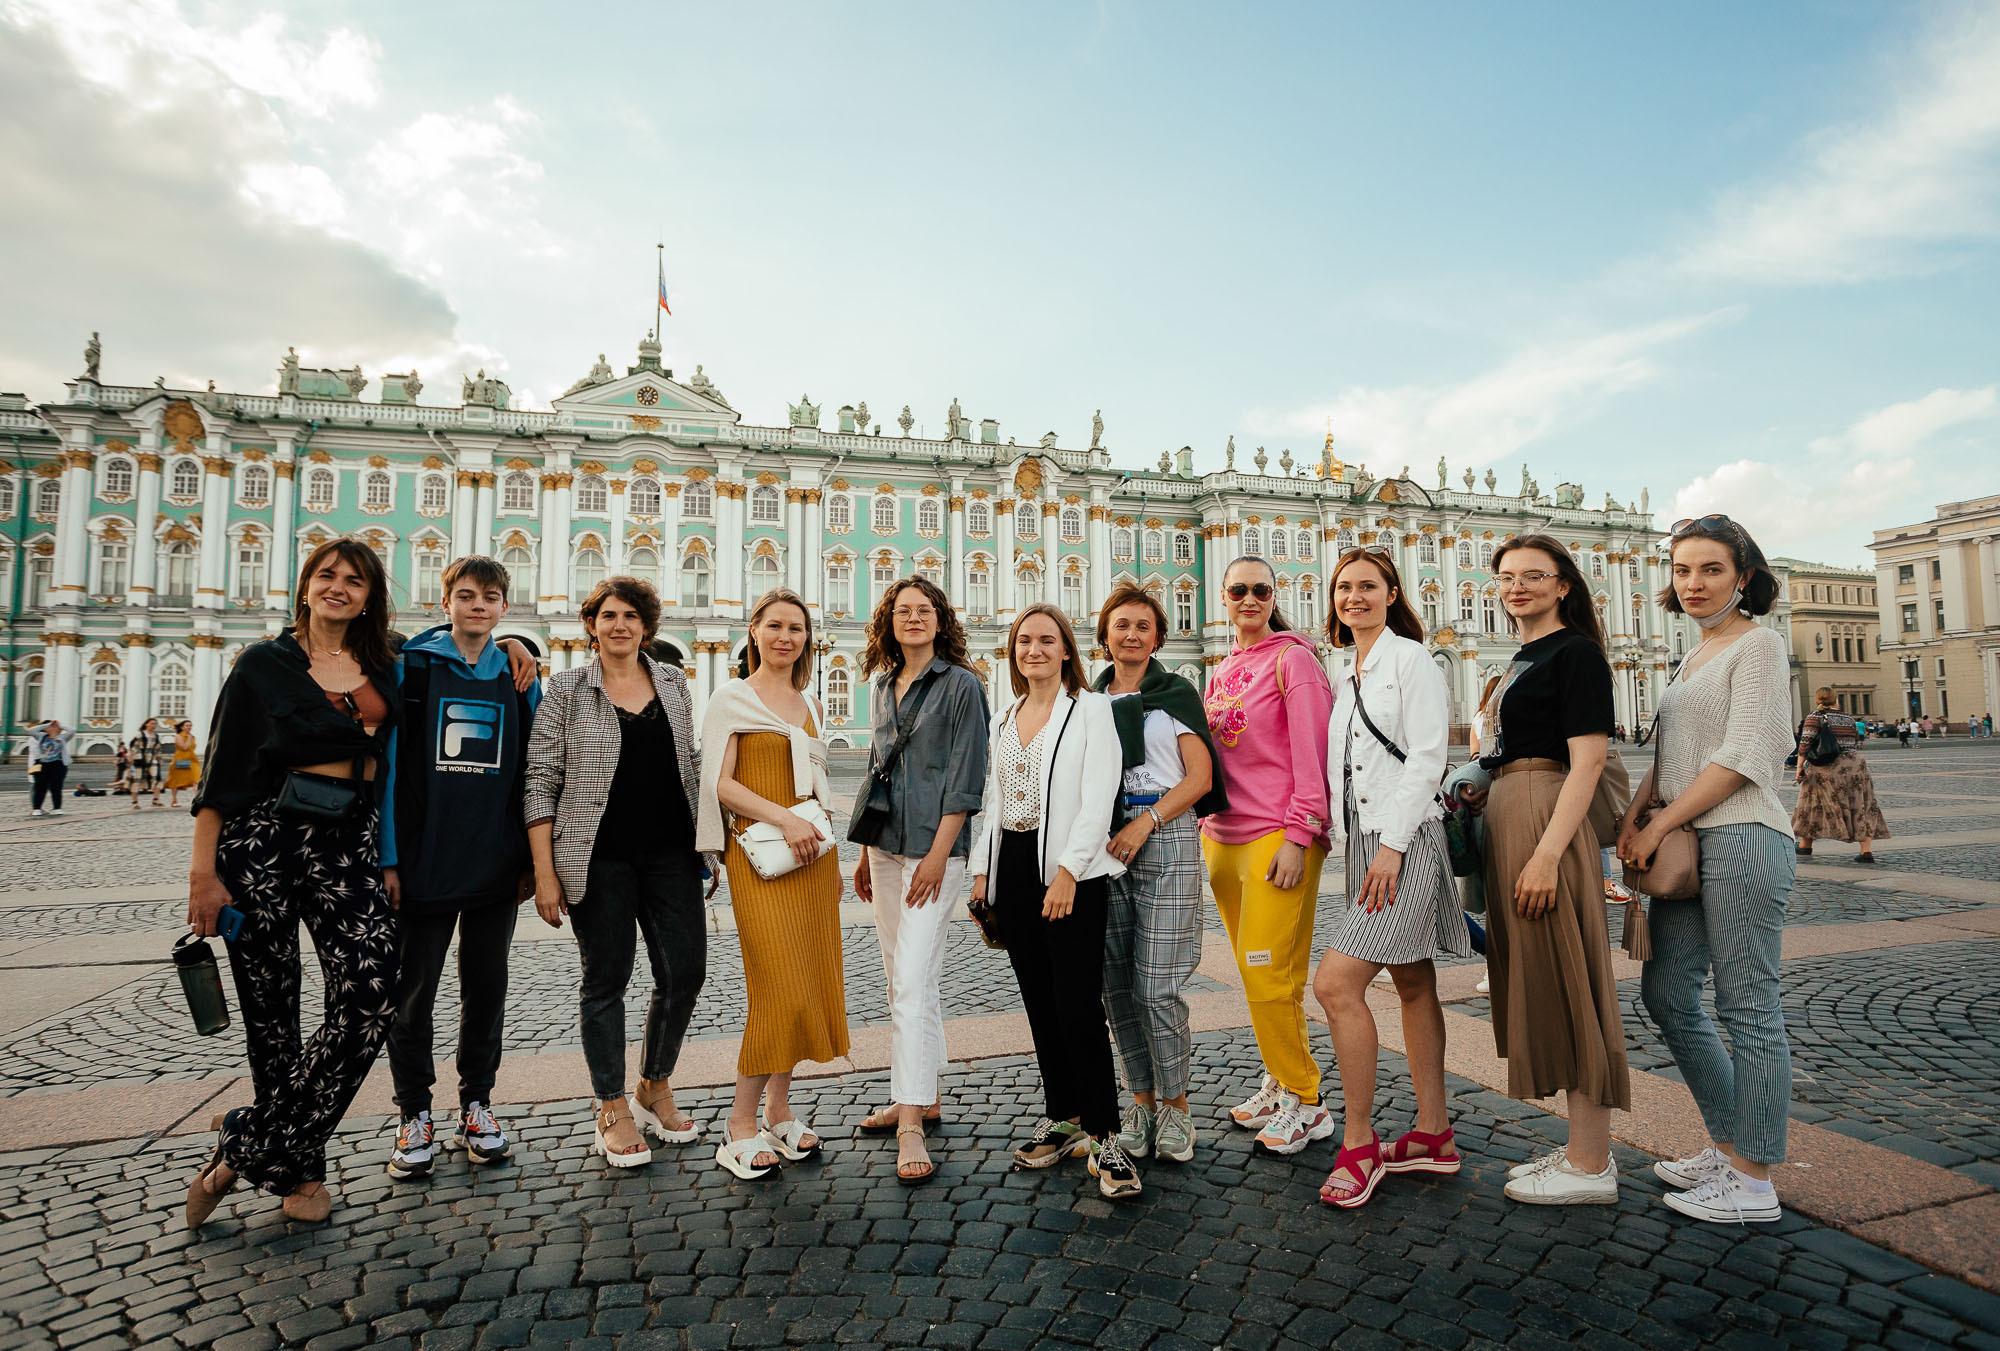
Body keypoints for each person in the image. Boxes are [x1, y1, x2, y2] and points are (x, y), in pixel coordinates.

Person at [182, 538, 406, 1230]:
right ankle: (302, 1173)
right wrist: (203, 873)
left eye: (354, 579)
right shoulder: (263, 665)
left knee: (372, 994)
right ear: (306, 585)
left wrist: (518, 650)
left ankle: (242, 1145)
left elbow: (463, 638)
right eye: (327, 575)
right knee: (271, 1019)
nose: (339, 586)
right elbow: (221, 771)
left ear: (370, 595)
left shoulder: (384, 662)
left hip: (350, 841)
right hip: (264, 840)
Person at [1622, 515, 1797, 1225]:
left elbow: (1747, 754)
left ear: (1743, 576)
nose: (1692, 583)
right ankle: (1729, 1143)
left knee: (1749, 1006)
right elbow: (1672, 755)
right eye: (1682, 570)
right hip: (1688, 844)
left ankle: (1754, 1179)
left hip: (1744, 836)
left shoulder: (1758, 645)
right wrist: (1637, 819)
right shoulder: (1692, 655)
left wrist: (1661, 822)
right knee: (1668, 995)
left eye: (1711, 569)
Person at [1457, 533, 1628, 1206]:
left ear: (1564, 585)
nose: (1517, 586)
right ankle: (1579, 1148)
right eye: (1507, 576)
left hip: (1544, 816)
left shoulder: (1576, 653)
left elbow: (1586, 761)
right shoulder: (1525, 656)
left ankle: (1593, 1163)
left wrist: (1549, 854)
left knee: (1571, 977)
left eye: (1534, 575)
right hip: (1511, 809)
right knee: (1541, 977)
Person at [525, 576, 707, 1170]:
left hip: (671, 854)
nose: (620, 624)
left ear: (647, 627)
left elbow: (693, 763)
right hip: (596, 857)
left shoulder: (674, 683)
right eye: (608, 615)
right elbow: (540, 780)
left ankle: (654, 1083)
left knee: (684, 972)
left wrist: (712, 844)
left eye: (631, 615)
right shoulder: (570, 688)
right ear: (592, 624)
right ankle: (611, 1104)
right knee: (606, 980)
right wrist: (545, 873)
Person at [1312, 548, 1469, 1207]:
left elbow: (1429, 755)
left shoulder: (1409, 658)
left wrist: (1392, 846)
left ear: (1391, 591)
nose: (1354, 597)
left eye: (1367, 586)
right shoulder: (1347, 668)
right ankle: (1434, 1134)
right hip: (1367, 841)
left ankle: (1358, 1141)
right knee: (1410, 980)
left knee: (1336, 983)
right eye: (1344, 587)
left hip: (1400, 840)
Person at [969, 603, 1138, 1199]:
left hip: (1070, 873)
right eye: (1023, 641)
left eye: (1046, 640)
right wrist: (980, 873)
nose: (1033, 650)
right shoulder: (1005, 715)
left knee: (1078, 1005)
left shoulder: (1091, 709)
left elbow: (1098, 797)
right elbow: (993, 800)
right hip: (1012, 870)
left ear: (1067, 650)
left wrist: (1068, 872)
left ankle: (1107, 1135)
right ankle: (1064, 1118)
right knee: (1039, 1002)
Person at [384, 556, 543, 1180]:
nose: (479, 606)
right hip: (423, 860)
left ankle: (477, 1101)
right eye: (467, 595)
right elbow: (392, 770)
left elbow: (534, 772)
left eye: (492, 597)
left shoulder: (518, 674)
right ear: (444, 602)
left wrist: (533, 859)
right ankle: (413, 1112)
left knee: (487, 986)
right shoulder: (412, 669)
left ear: (504, 607)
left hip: (492, 862)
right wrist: (389, 859)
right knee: (413, 992)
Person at [698, 588, 848, 1180]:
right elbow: (720, 783)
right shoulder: (731, 698)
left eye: (798, 628)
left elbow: (818, 791)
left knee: (807, 982)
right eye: (776, 626)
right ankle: (739, 1124)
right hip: (760, 859)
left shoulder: (806, 704)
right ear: (754, 630)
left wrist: (828, 853)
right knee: (777, 986)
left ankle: (780, 1110)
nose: (788, 637)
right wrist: (783, 818)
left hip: (810, 861)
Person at [850, 576, 990, 1186]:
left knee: (910, 980)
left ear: (940, 620)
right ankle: (925, 1094)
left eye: (924, 610)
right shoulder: (884, 684)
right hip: (884, 847)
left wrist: (938, 854)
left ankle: (910, 1119)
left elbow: (966, 777)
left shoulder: (961, 685)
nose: (913, 619)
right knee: (905, 979)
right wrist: (862, 850)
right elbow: (881, 767)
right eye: (903, 611)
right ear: (890, 620)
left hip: (934, 851)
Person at [1201, 556, 1335, 1155]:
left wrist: (1300, 835)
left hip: (1275, 843)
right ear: (1224, 598)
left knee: (1263, 973)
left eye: (1260, 589)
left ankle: (1307, 1101)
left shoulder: (1294, 660)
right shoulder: (1222, 668)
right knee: (1270, 978)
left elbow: (1313, 754)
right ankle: (1280, 1079)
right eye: (1238, 590)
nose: (1249, 598)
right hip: (1223, 840)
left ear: (1273, 595)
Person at [1092, 584, 1225, 1166]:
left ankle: (1177, 1106)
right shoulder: (1087, 701)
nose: (1131, 634)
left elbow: (1198, 778)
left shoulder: (1175, 693)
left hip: (1163, 836)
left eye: (1143, 626)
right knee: (1115, 983)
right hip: (1104, 844)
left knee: (1157, 985)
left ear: (1157, 638)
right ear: (1104, 635)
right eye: (1121, 624)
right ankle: (1140, 1104)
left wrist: (1145, 822)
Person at [1793, 688, 1889, 865]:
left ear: (1818, 700)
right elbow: (1853, 741)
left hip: (1826, 767)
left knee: (1813, 803)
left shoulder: (1814, 717)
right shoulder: (1848, 718)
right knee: (1861, 804)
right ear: (1836, 700)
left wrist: (1799, 767)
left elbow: (1805, 744)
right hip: (1854, 766)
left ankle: (1806, 844)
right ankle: (1866, 850)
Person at [25, 718, 74, 816]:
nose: (54, 729)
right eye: (51, 727)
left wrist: (60, 725)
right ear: (46, 729)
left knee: (56, 787)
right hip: (42, 765)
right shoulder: (41, 736)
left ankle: (57, 808)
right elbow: (31, 730)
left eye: (56, 728)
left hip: (57, 764)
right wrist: (46, 725)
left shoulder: (62, 738)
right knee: (40, 787)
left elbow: (72, 730)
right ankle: (37, 809)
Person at [162, 719, 201, 808]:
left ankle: (197, 799)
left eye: (190, 725)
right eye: (187, 725)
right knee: (176, 781)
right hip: (180, 760)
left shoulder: (192, 736)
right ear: (182, 727)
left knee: (196, 779)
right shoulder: (178, 736)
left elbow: (192, 748)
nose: (189, 727)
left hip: (192, 760)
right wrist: (188, 738)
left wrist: (190, 737)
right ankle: (174, 800)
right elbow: (184, 747)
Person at [129, 716, 165, 808]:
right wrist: (135, 757)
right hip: (140, 759)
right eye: (152, 723)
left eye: (155, 724)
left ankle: (156, 800)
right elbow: (133, 746)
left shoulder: (156, 736)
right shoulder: (140, 734)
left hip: (152, 758)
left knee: (156, 778)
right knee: (136, 779)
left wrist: (159, 758)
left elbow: (158, 748)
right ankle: (135, 802)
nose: (153, 725)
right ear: (146, 724)